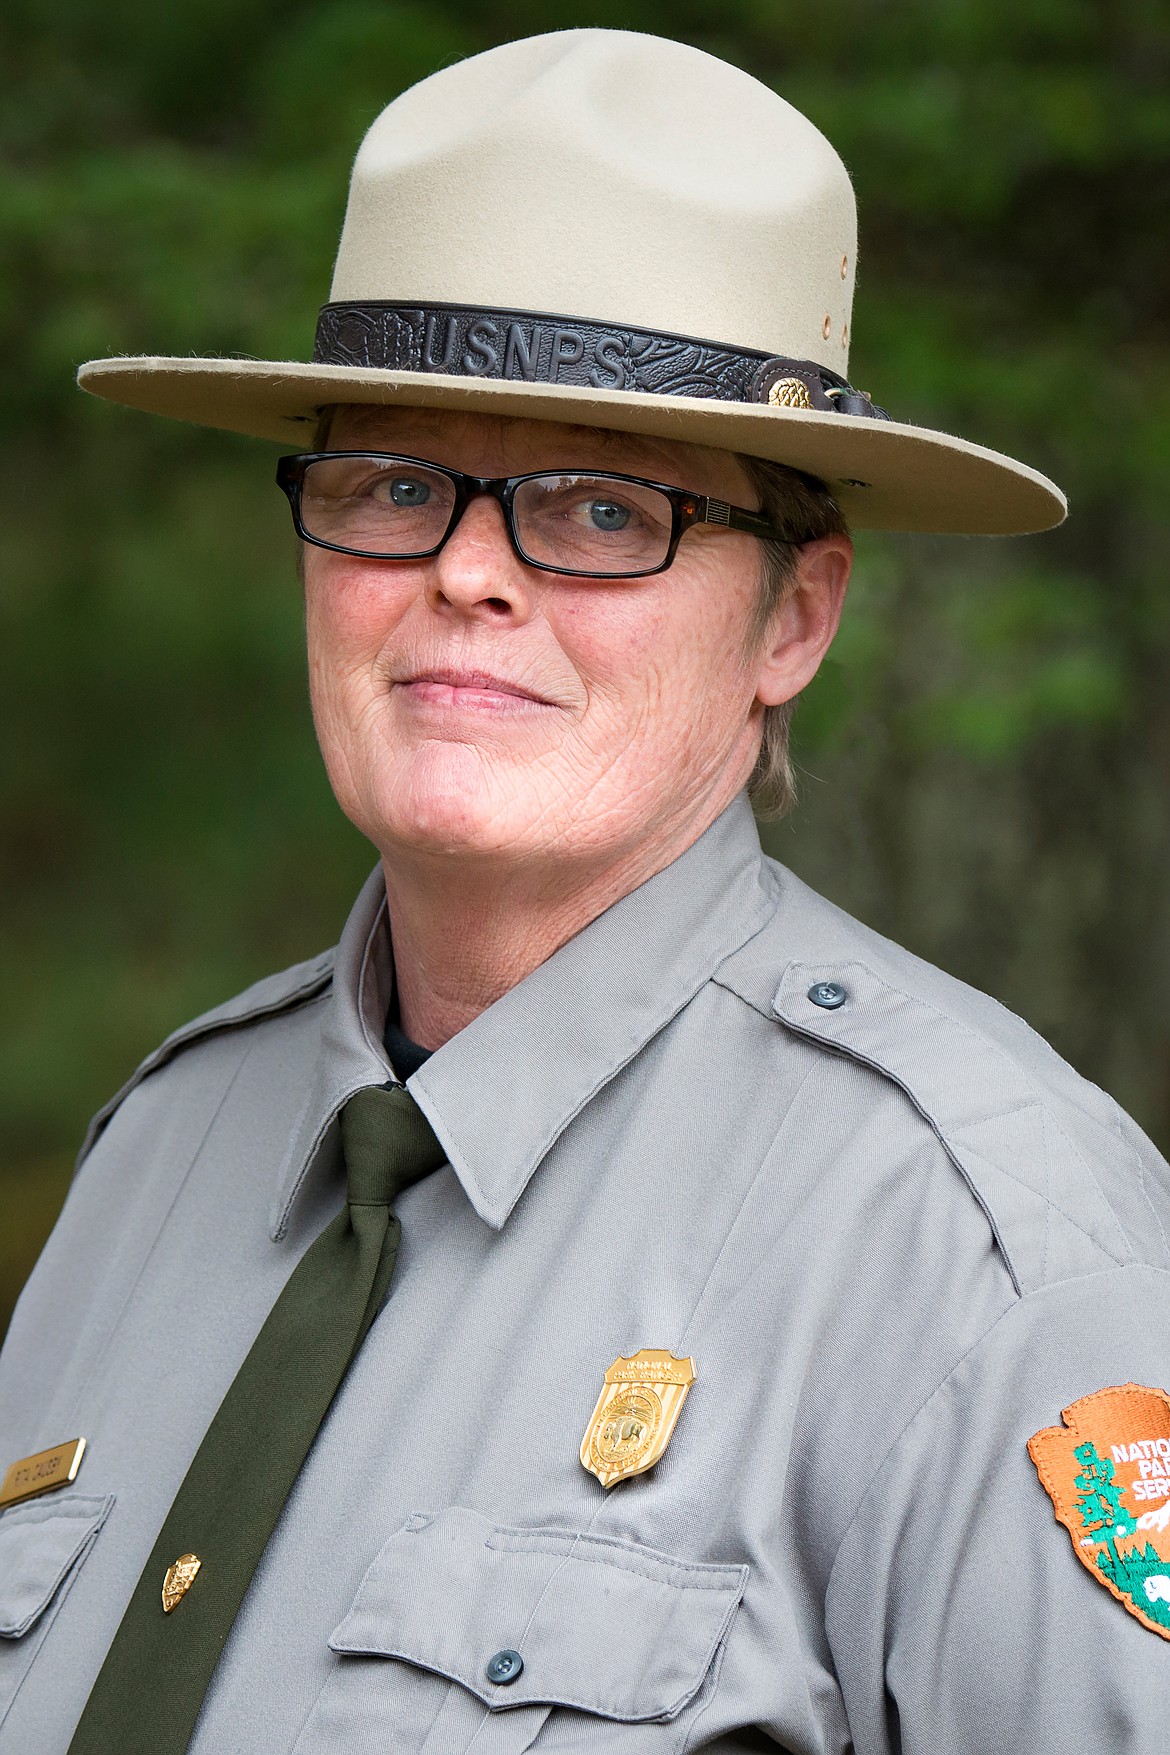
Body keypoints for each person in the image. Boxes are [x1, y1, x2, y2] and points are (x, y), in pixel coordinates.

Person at [1, 26, 1167, 1755]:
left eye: (602, 511)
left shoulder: (975, 1254)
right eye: (393, 487)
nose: (467, 571)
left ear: (794, 618)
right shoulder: (158, 1156)